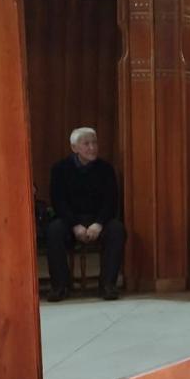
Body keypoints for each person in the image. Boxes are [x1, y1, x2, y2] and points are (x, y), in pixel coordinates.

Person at [47, 127, 126, 301]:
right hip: (71, 220)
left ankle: (107, 285)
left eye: (94, 143)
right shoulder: (60, 169)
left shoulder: (105, 168)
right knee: (54, 231)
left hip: (97, 219)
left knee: (117, 230)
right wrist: (75, 225)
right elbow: (59, 201)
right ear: (74, 148)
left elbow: (111, 201)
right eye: (86, 144)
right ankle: (60, 286)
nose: (92, 148)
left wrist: (98, 224)